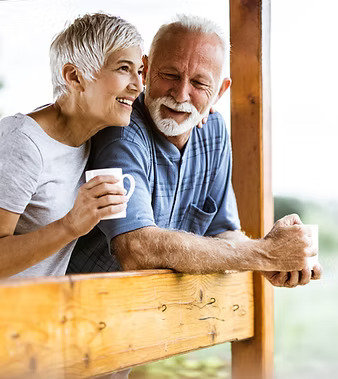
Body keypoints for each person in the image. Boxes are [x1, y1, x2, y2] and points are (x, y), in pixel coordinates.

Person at [67, 14, 321, 289]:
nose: (181, 94)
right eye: (169, 75)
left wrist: (277, 259)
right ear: (146, 70)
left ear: (220, 92)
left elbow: (222, 232)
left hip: (165, 315)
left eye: (199, 83)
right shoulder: (121, 131)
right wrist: (264, 254)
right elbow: (136, 248)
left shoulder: (213, 130)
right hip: (89, 310)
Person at [0, 13, 144, 278]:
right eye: (124, 68)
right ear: (74, 76)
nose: (137, 85)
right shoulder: (21, 143)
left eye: (140, 71)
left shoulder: (93, 131)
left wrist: (200, 107)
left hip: (49, 314)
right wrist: (70, 226)